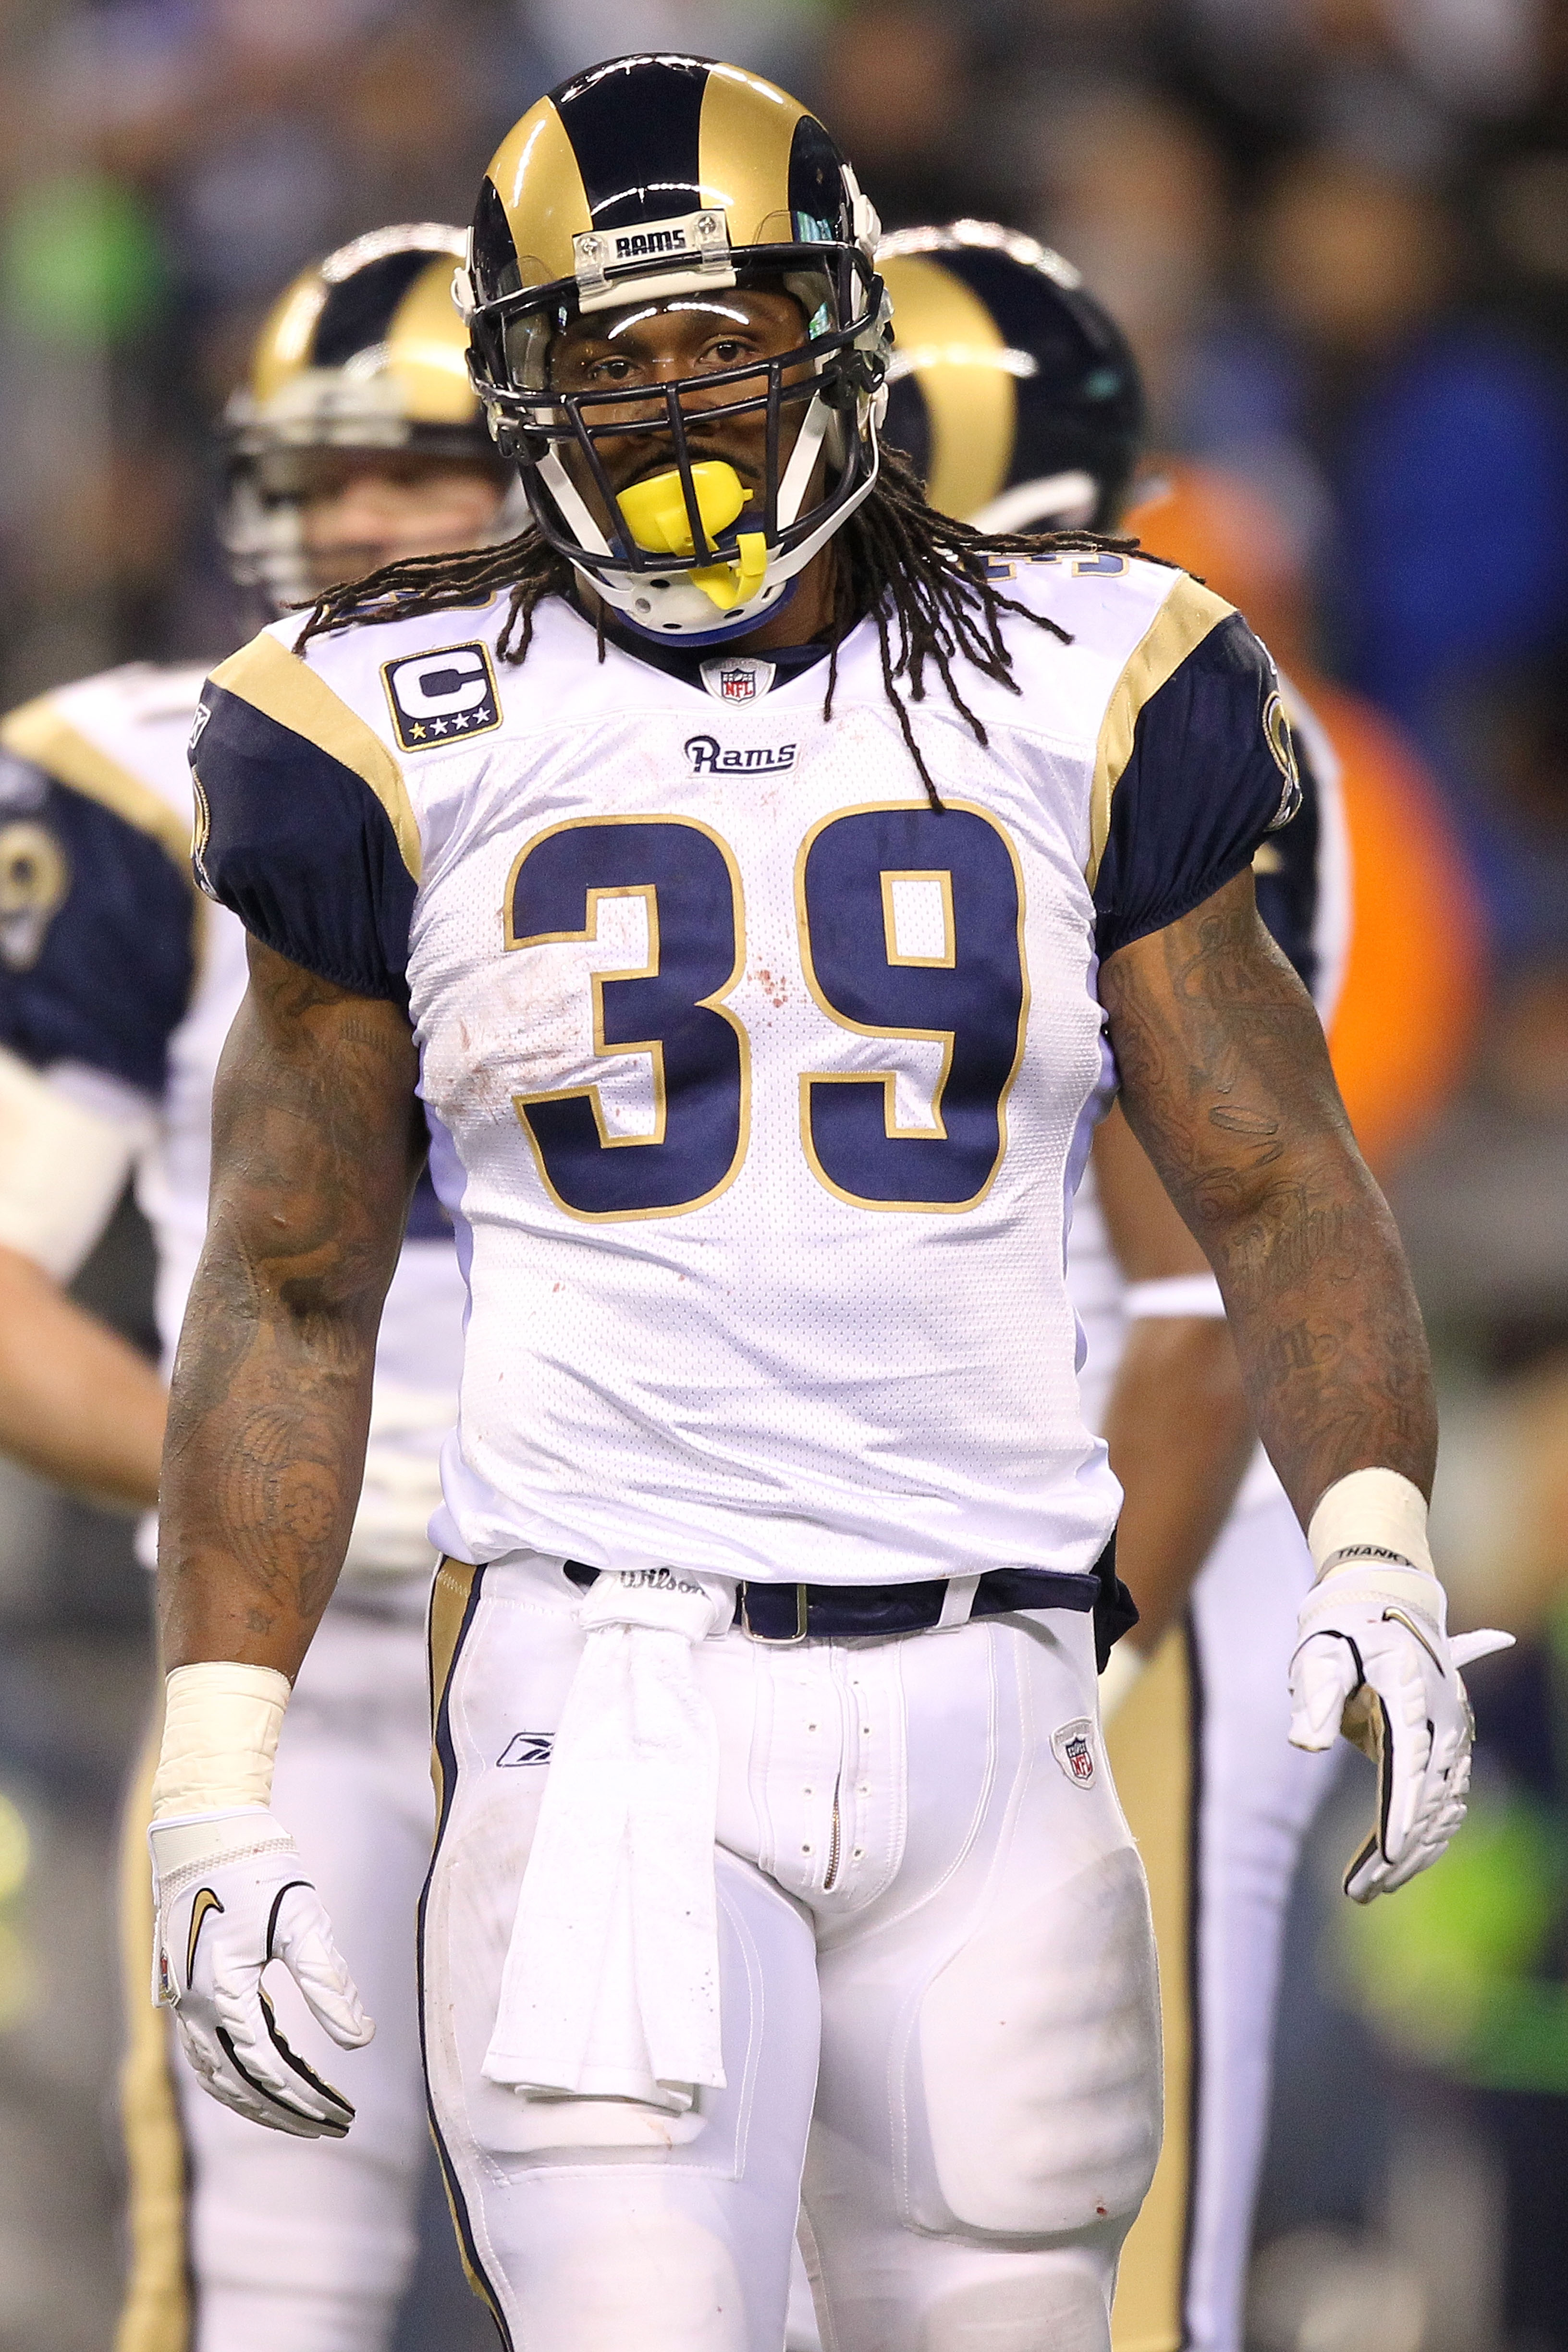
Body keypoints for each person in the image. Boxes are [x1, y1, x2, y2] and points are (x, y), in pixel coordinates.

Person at [150, 56, 1504, 2352]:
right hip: (613, 1691)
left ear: (847, 335)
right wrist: (217, 1764)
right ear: (520, 386)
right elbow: (289, 1284)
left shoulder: (1091, 676)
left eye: (726, 336)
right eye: (608, 353)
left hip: (1003, 1687)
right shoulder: (380, 719)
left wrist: (1368, 1533)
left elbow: (1278, 1184)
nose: (673, 404)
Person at [876, 220, 1489, 2352]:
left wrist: (1076, 1641)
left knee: (1126, 2231)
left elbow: (1220, 1272)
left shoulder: (1161, 714)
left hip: (1148, 1505)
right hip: (962, 1494)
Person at [0, 222, 514, 2352]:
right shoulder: (144, 779)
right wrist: (288, 1500)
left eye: (425, 463)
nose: (366, 516)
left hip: (669, 1642)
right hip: (304, 1670)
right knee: (255, 2294)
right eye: (327, 471)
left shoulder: (739, 754)